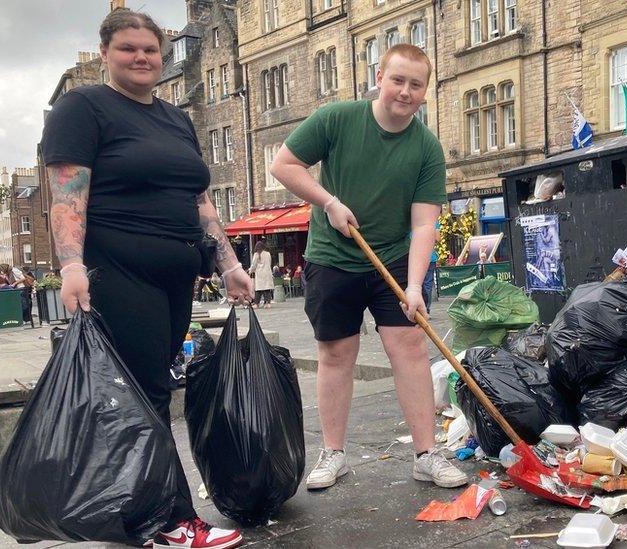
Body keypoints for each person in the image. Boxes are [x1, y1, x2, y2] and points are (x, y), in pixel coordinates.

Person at [40, 9, 252, 549]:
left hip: (176, 274)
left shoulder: (176, 119)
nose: (141, 58)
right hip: (117, 269)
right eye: (129, 48)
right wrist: (70, 266)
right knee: (149, 391)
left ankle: (141, 515)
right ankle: (167, 520)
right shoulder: (82, 108)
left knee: (150, 389)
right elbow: (68, 192)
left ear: (163, 55)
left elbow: (199, 199)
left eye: (150, 50)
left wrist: (228, 262)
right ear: (106, 53)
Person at [270, 43, 466, 491]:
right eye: (397, 80)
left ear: (424, 93)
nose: (405, 91)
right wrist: (329, 202)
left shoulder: (426, 149)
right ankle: (334, 453)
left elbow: (423, 225)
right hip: (332, 257)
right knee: (336, 355)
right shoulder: (336, 119)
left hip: (394, 259)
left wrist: (415, 285)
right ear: (379, 78)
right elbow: (284, 164)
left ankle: (425, 454)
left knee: (411, 349)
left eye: (416, 85)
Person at [249, 240, 274, 308]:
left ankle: (256, 303)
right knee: (267, 289)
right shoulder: (268, 254)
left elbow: (253, 265)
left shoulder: (256, 254)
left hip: (260, 274)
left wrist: (250, 271)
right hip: (267, 272)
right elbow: (270, 263)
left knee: (258, 290)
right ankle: (268, 303)